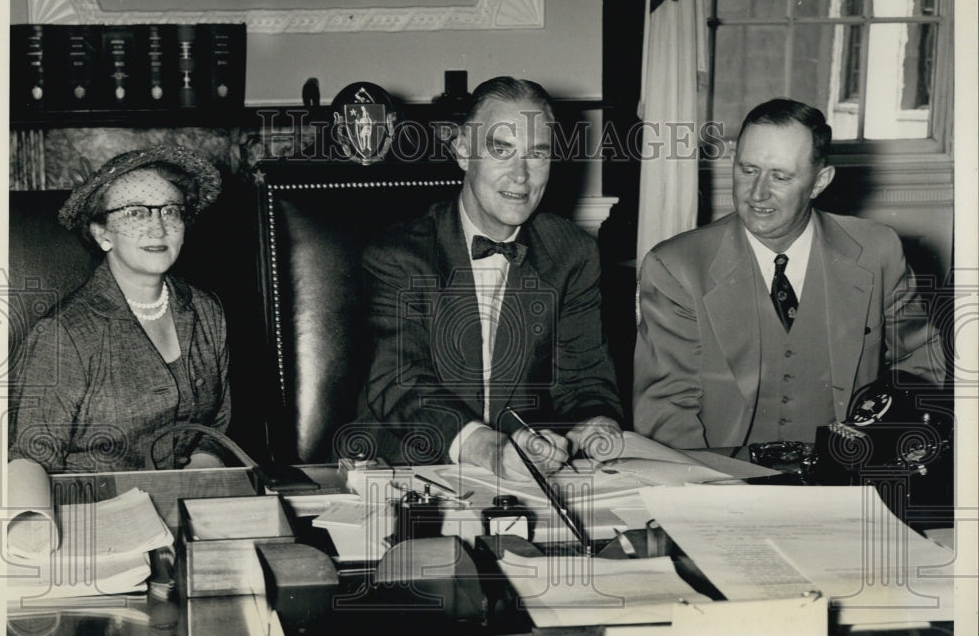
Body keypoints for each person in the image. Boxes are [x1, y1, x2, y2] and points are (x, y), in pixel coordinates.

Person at [633, 98, 945, 449]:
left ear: (819, 181)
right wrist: (713, 491)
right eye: (747, 170)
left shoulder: (877, 251)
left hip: (846, 479)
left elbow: (923, 359)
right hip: (724, 483)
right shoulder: (676, 267)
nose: (757, 193)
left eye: (780, 176)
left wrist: (882, 437)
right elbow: (666, 412)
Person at [359, 76, 623, 480]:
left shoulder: (573, 252)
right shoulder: (398, 253)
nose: (521, 175)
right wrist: (489, 449)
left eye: (537, 154)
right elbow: (400, 381)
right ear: (464, 151)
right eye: (502, 150)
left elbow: (584, 376)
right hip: (405, 470)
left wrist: (595, 423)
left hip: (526, 476)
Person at [9, 145, 231, 473]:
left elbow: (215, 424)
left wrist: (199, 479)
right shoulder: (63, 335)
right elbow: (28, 461)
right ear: (102, 234)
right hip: (94, 509)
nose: (158, 227)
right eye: (135, 212)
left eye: (170, 210)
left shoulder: (206, 311)